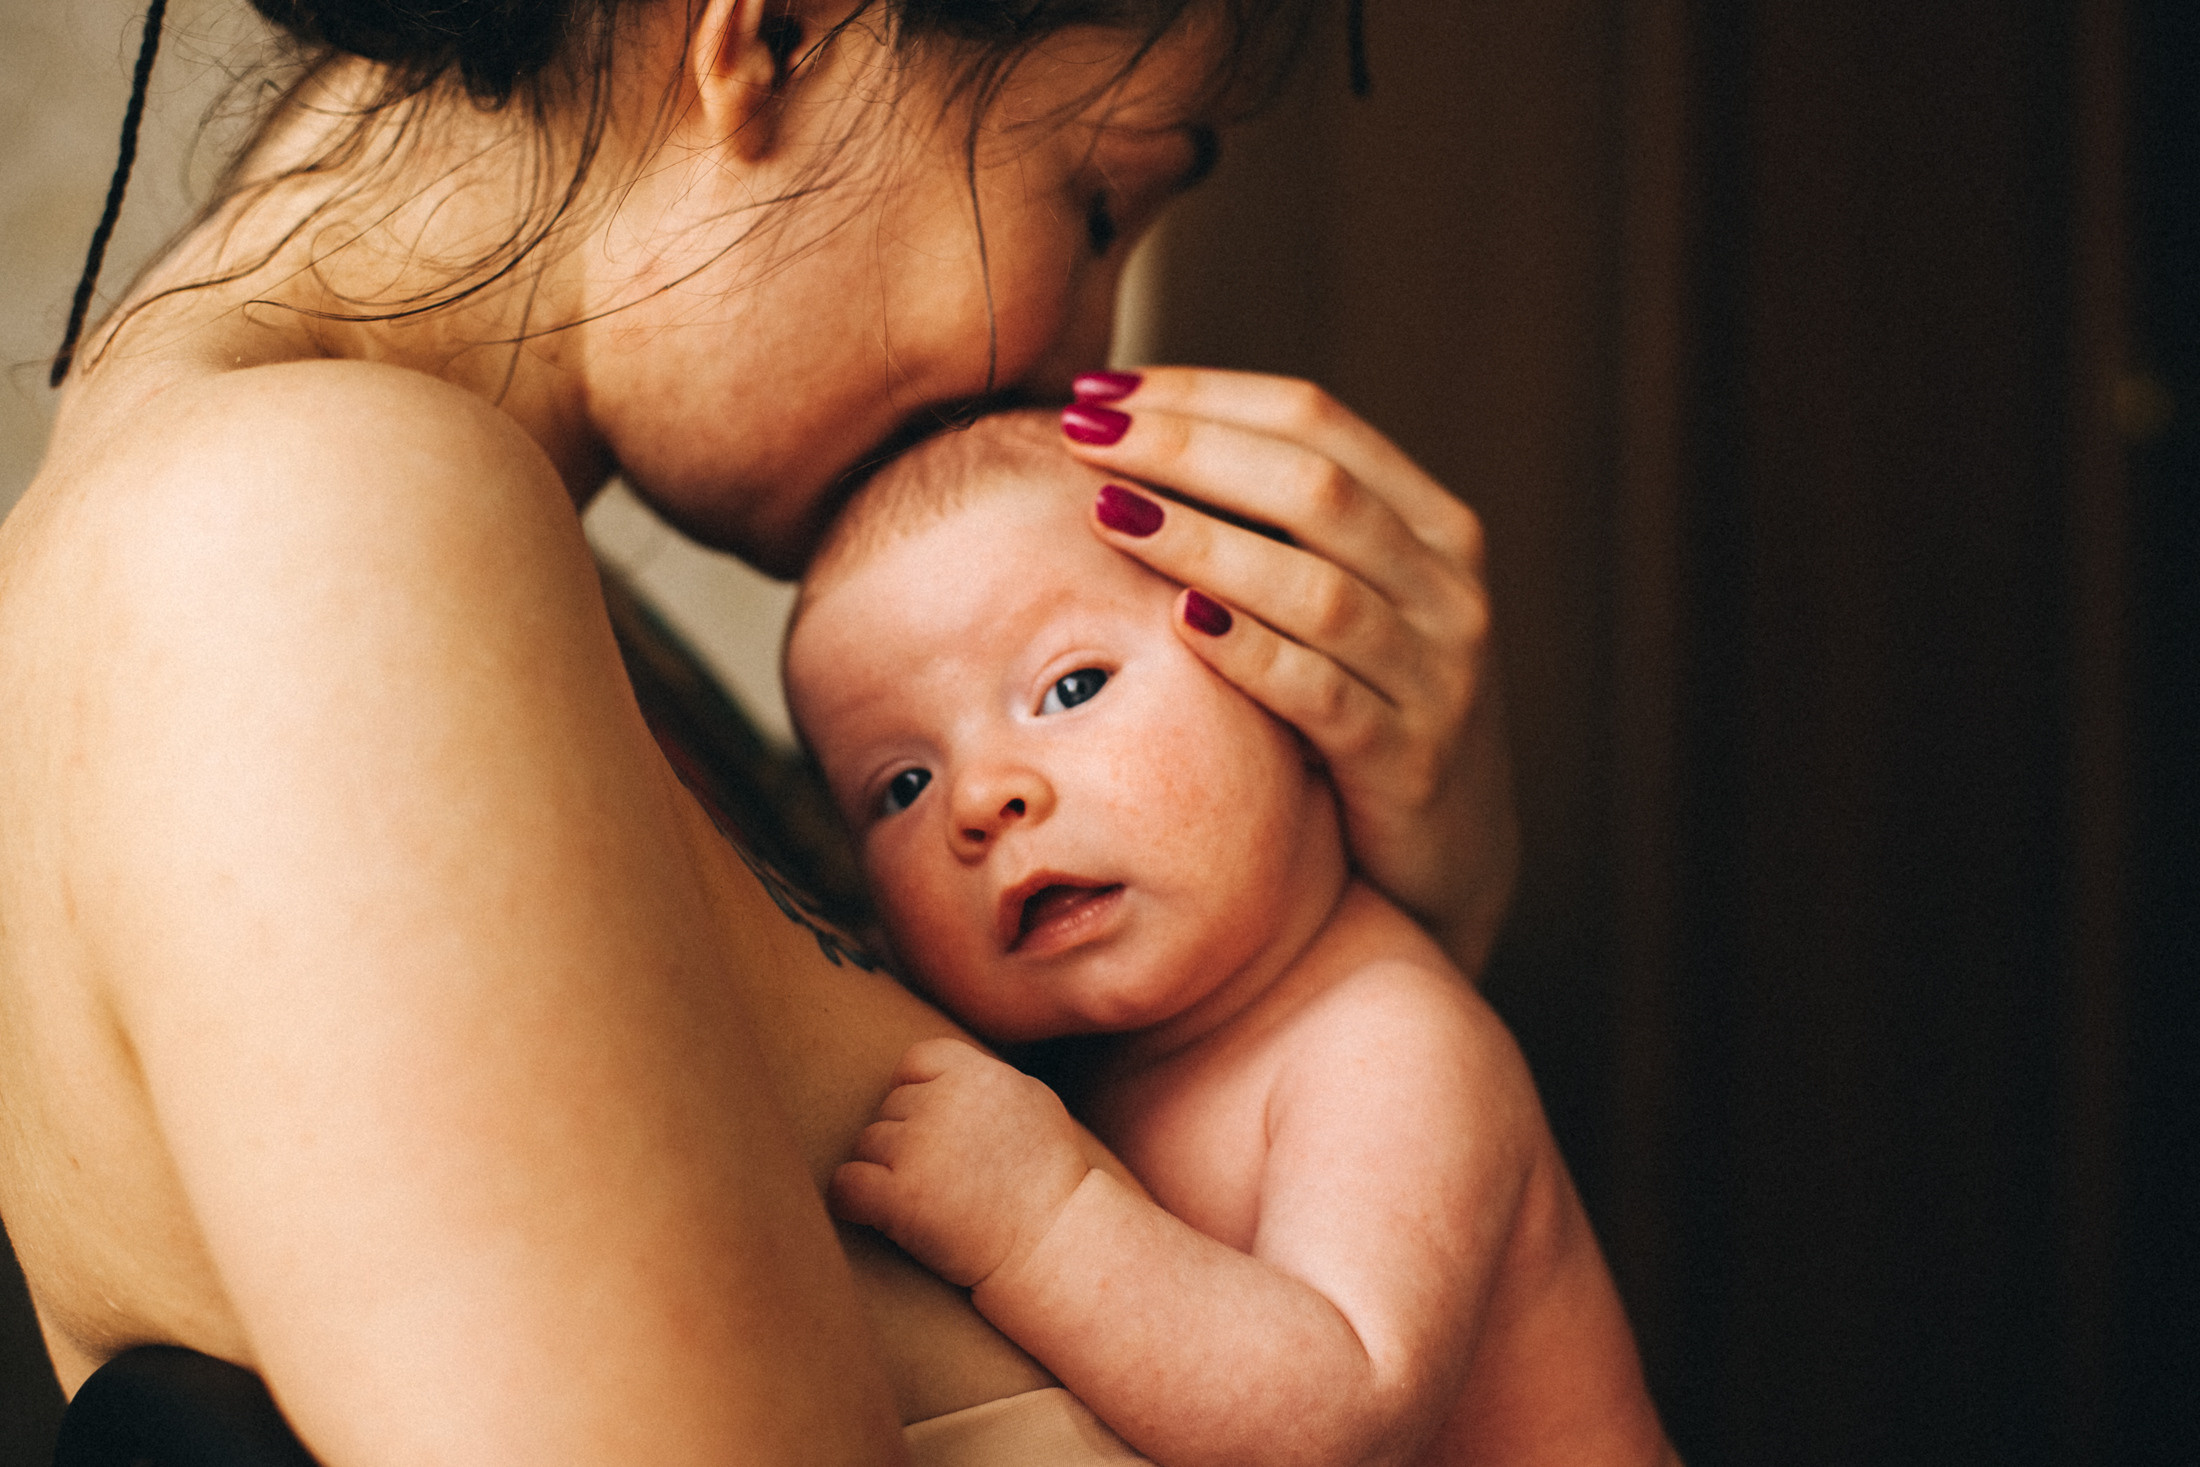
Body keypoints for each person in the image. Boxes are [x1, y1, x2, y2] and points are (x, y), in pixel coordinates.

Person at [0, 1, 1518, 1461]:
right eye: (1097, 200)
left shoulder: (459, 572)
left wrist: (1379, 911)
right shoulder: (305, 536)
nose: (1081, 351)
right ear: (775, 35)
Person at [783, 411, 1674, 1467]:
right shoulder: (1084, 1058)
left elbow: (1345, 1411)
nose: (980, 798)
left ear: (1291, 686)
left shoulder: (1384, 1037)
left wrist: (1045, 1220)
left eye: (1070, 687)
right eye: (901, 785)